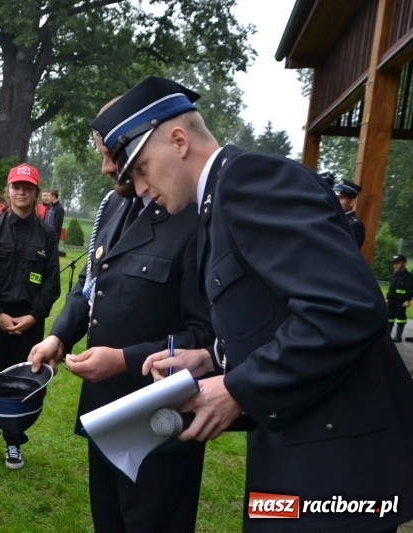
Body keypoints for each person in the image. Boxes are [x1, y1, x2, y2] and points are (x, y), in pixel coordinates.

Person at [98, 75, 413, 532]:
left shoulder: (250, 180)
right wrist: (212, 358)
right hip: (292, 441)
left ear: (179, 141)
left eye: (142, 168)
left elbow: (345, 308)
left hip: (336, 461)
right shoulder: (212, 205)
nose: (141, 189)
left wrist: (239, 388)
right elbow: (275, 314)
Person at [28, 111, 213, 532]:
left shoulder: (193, 213)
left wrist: (126, 359)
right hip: (105, 407)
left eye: (113, 155)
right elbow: (93, 285)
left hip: (160, 417)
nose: (107, 167)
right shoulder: (115, 205)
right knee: (108, 519)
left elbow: (207, 336)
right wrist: (59, 336)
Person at [0, 163, 60, 469]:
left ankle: (13, 443)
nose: (22, 193)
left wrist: (34, 317)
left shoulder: (47, 233)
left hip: (29, 324)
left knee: (23, 383)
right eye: (16, 187)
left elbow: (51, 284)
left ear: (36, 193)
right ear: (8, 191)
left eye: (28, 188)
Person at [332, 178, 365, 248]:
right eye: (334, 198)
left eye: (340, 198)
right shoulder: (333, 219)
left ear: (352, 202)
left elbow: (347, 251)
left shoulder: (354, 225)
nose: (336, 201)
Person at [388, 254, 413, 342]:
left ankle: (398, 336)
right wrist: (388, 298)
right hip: (392, 301)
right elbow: (391, 288)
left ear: (404, 263)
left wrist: (407, 300)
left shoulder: (408, 277)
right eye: (394, 263)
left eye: (398, 263)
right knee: (390, 317)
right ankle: (387, 335)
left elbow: (410, 289)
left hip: (401, 301)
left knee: (400, 318)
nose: (395, 265)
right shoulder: (394, 275)